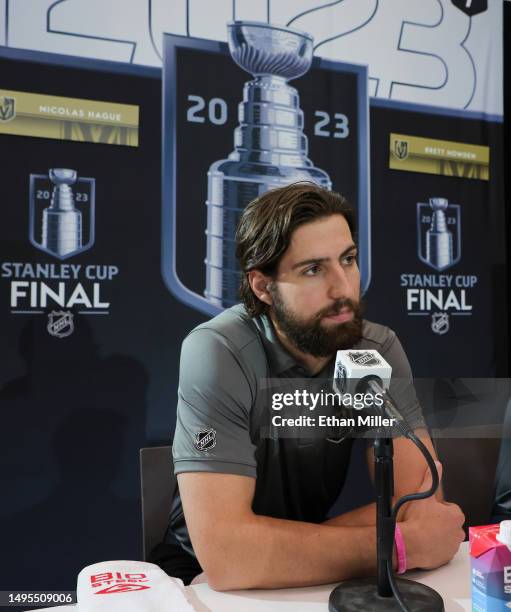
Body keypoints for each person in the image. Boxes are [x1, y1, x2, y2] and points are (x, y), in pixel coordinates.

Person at [151, 183, 465, 590]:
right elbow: (227, 557)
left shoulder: (373, 349)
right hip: (197, 578)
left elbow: (418, 503)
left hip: (311, 570)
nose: (343, 289)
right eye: (313, 269)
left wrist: (282, 549)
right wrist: (397, 546)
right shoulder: (218, 351)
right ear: (263, 287)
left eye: (348, 260)